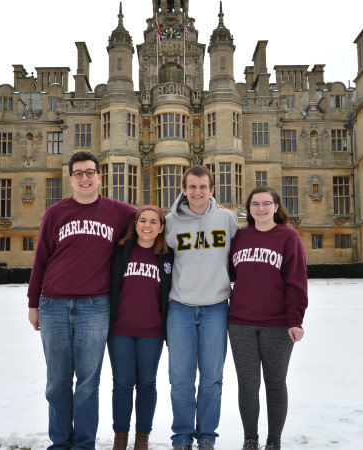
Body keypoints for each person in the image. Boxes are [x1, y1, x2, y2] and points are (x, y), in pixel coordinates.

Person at [27, 151, 136, 450]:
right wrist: (33, 303)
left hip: (95, 306)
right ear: (71, 178)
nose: (84, 178)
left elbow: (155, 219)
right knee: (57, 383)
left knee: (88, 383)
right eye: (78, 173)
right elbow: (41, 259)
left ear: (100, 177)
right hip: (53, 305)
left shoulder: (120, 213)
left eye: (90, 172)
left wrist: (203, 207)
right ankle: (60, 444)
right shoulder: (56, 214)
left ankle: (84, 445)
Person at [164, 165, 239, 450]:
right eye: (192, 187)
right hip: (180, 308)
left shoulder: (227, 219)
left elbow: (239, 257)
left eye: (202, 187)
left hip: (216, 308)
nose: (197, 192)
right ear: (183, 190)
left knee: (212, 380)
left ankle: (207, 436)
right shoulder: (170, 222)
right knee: (181, 380)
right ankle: (182, 436)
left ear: (211, 190)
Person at [228, 186, 308, 450]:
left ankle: (274, 440)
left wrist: (295, 320)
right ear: (248, 209)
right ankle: (250, 439)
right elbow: (230, 271)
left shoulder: (288, 237)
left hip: (277, 324)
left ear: (276, 207)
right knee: (247, 385)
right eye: (254, 204)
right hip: (240, 323)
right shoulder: (240, 237)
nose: (260, 209)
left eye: (265, 204)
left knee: (275, 383)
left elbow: (297, 281)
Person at [108, 205, 173, 450]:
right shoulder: (121, 250)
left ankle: (142, 438)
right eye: (142, 220)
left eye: (154, 222)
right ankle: (120, 438)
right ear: (135, 224)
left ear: (162, 227)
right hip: (120, 330)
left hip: (152, 331)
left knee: (147, 383)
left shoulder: (168, 255)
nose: (147, 225)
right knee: (122, 384)